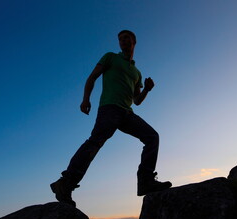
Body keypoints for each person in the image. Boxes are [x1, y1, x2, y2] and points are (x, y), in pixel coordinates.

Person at [51, 30, 171, 207]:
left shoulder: (136, 72)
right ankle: (66, 183)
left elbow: (136, 101)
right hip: (109, 108)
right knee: (95, 142)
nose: (123, 41)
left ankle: (145, 181)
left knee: (152, 137)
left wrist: (147, 89)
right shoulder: (110, 57)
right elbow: (92, 77)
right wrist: (86, 98)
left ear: (134, 41)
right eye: (120, 39)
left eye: (126, 38)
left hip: (127, 113)